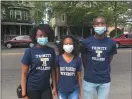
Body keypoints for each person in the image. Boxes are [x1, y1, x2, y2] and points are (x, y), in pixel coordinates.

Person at [81, 16, 117, 99]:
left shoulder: (111, 43)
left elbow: (109, 59)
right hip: (89, 79)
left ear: (105, 25)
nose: (100, 25)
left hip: (104, 80)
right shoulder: (85, 42)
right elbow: (84, 59)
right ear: (93, 26)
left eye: (102, 23)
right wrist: (89, 71)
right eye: (97, 23)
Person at [21, 24, 57, 99]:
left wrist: (54, 87)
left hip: (46, 88)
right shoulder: (29, 51)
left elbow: (53, 71)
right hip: (32, 88)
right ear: (35, 37)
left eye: (45, 35)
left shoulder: (51, 51)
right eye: (40, 35)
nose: (42, 37)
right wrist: (24, 94)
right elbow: (24, 74)